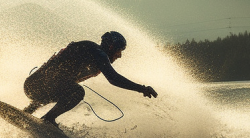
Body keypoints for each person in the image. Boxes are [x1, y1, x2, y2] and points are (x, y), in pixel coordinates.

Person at [23, 31, 157, 126]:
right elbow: (113, 78)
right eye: (119, 51)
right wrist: (142, 89)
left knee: (67, 88)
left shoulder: (92, 52)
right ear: (111, 47)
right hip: (38, 85)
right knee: (77, 92)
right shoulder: (97, 52)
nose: (119, 56)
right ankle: (48, 119)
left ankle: (28, 112)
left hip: (35, 87)